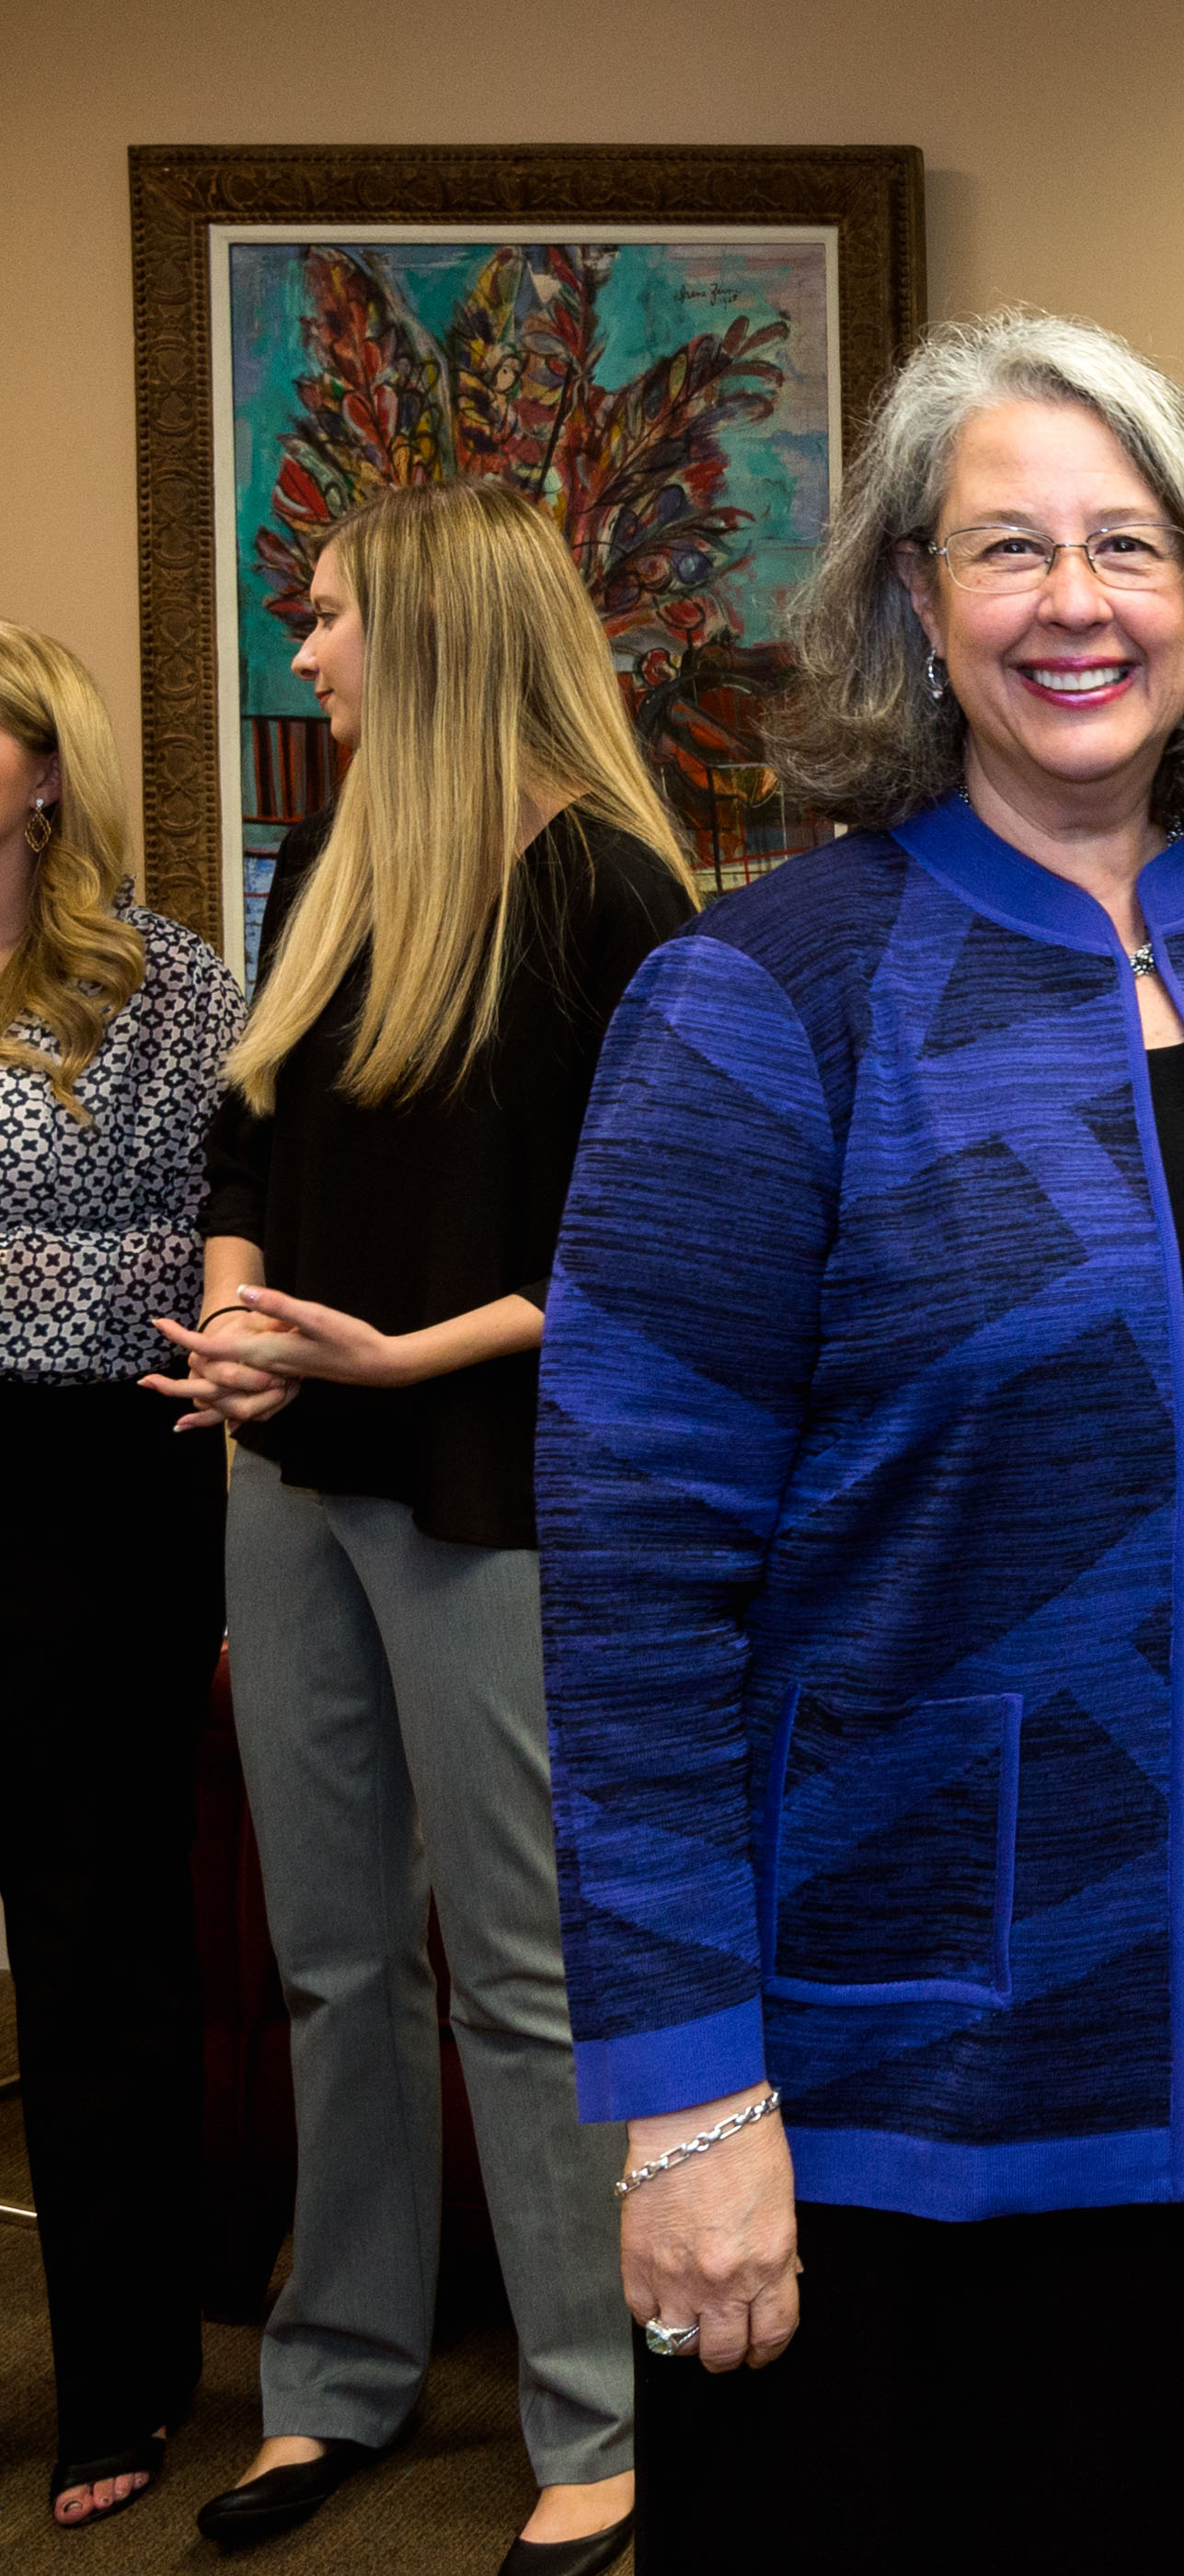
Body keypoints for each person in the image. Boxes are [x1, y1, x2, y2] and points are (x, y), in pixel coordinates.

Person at [535, 307, 1184, 2573]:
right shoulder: (767, 998)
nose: (1074, 600)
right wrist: (679, 2098)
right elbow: (631, 1595)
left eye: (1130, 543)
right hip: (897, 2084)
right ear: (915, 606)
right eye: (1005, 546)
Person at [147, 478, 698, 2573]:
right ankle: (337, 2382)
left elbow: (638, 1250)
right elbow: (246, 1133)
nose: (306, 651)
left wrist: (387, 1358)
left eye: (330, 616)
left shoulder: (615, 895)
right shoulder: (331, 859)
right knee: (325, 1955)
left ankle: (592, 2414)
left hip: (489, 1489)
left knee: (525, 1970)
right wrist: (236, 1326)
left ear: (443, 629)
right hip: (289, 1476)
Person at [0, 623, 238, 2531]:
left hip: (102, 1487)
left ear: (45, 776)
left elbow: (199, 1245)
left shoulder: (172, 990)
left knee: (97, 1950)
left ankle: (125, 2384)